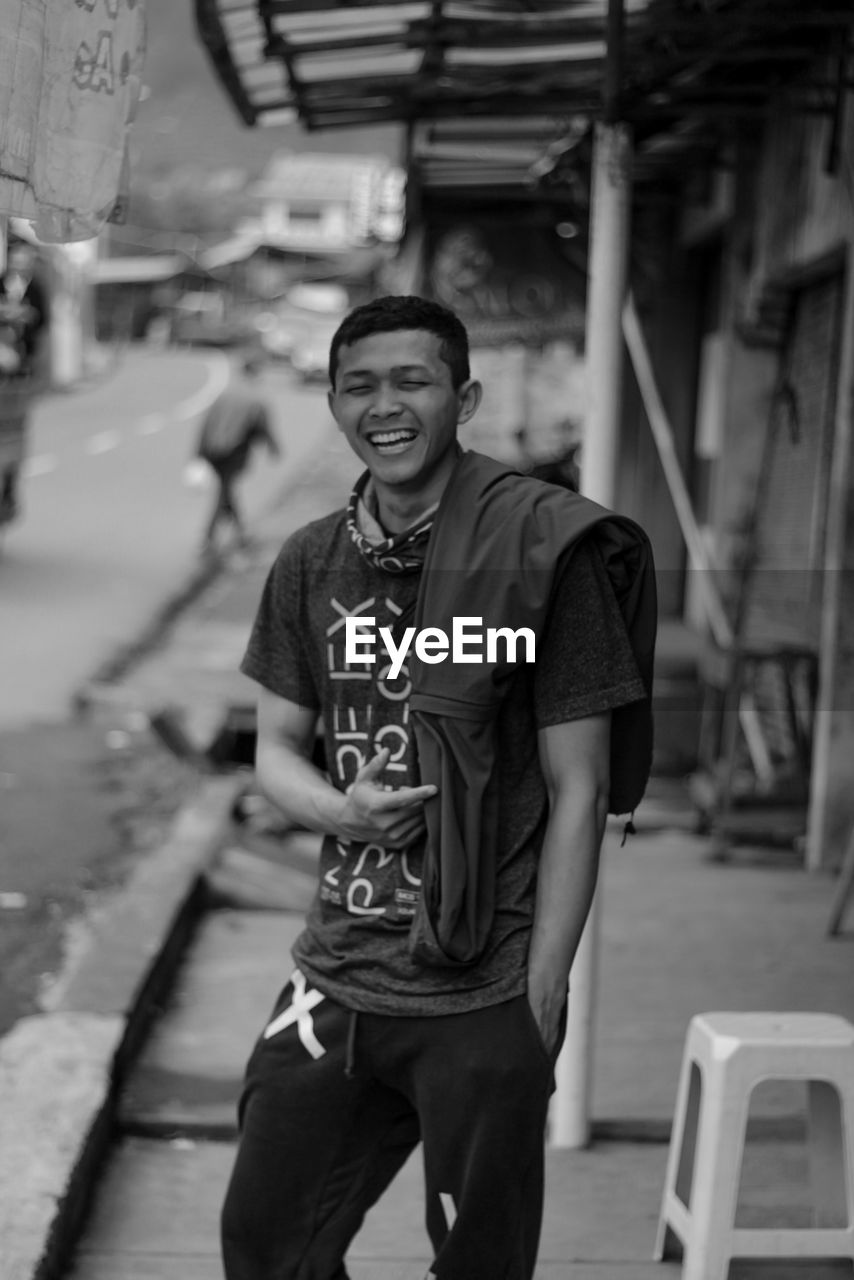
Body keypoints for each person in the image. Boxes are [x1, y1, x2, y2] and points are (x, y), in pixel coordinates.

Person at [221, 295, 657, 1280]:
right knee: (265, 1240)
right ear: (331, 401)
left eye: (411, 380)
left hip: (483, 978)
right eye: (359, 384)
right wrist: (341, 810)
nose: (386, 405)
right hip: (337, 968)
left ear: (462, 397)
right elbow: (276, 753)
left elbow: (578, 790)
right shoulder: (310, 562)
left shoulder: (540, 553)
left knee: (477, 1262)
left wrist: (539, 991)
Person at [195, 354, 280, 554]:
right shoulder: (255, 397)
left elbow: (206, 424)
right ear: (256, 373)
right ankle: (209, 538)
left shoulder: (225, 393)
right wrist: (273, 448)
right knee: (224, 492)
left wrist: (199, 452)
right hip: (234, 451)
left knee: (227, 490)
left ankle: (241, 534)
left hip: (213, 451)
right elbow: (262, 427)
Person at [0, 240, 48, 523]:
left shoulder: (38, 289)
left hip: (19, 377)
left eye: (27, 257)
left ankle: (8, 491)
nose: (22, 261)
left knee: (13, 438)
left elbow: (43, 323)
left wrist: (25, 319)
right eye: (18, 256)